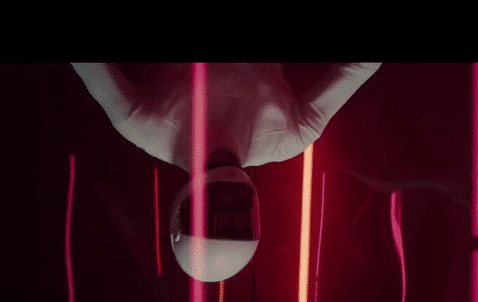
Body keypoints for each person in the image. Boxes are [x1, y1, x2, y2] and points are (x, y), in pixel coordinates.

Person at [71, 63, 382, 282]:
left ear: (183, 213)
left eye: (218, 218)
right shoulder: (289, 138)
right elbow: (357, 68)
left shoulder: (144, 124)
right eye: (238, 221)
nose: (230, 202)